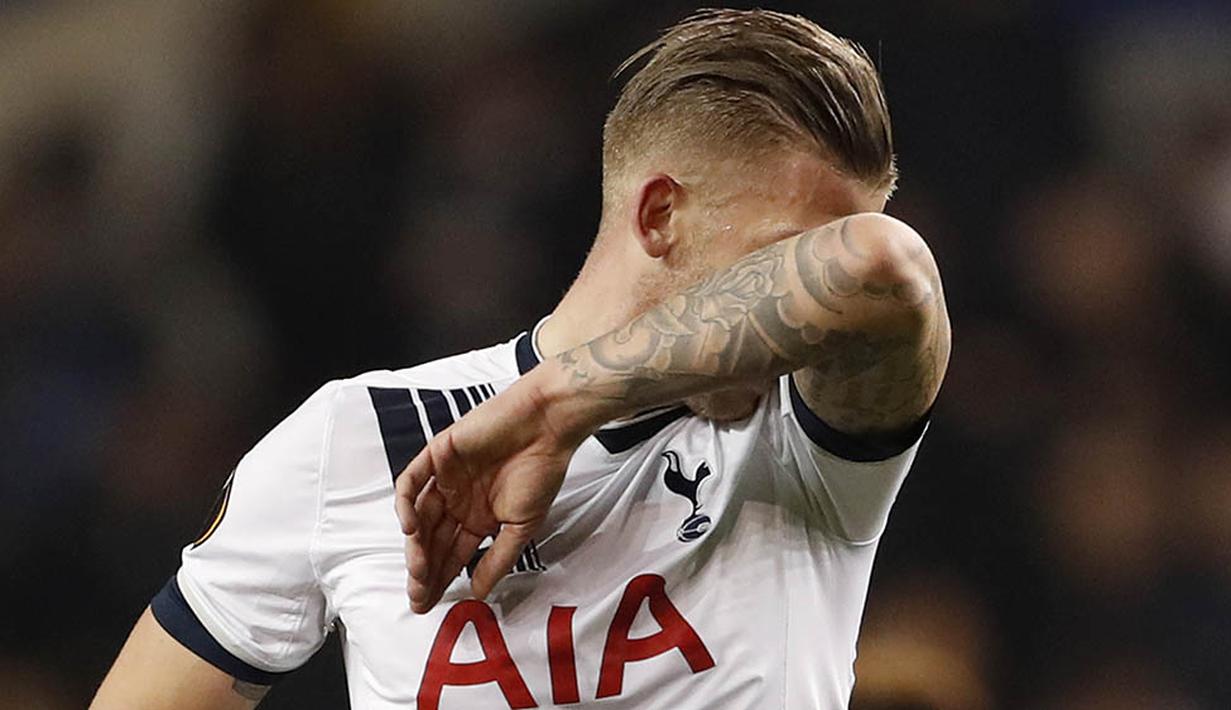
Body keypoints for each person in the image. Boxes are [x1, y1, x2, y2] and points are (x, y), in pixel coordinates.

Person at [92, 8, 950, 709]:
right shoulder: (362, 438)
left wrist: (557, 404)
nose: (800, 319)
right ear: (658, 217)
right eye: (778, 256)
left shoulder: (805, 441)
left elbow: (880, 267)